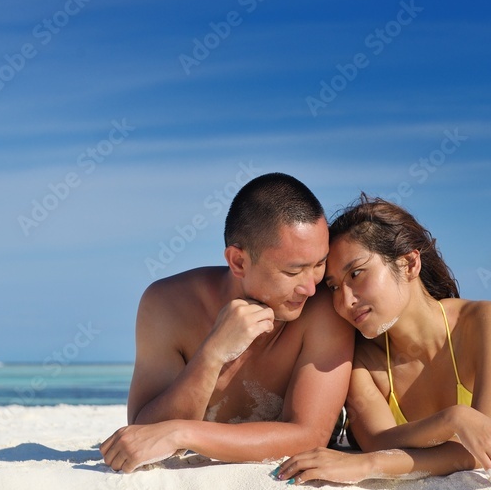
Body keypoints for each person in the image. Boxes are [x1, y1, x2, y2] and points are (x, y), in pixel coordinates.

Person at [100, 173, 354, 472]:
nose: (311, 287)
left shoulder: (323, 306)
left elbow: (310, 436)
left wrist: (183, 432)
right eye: (293, 271)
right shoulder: (167, 305)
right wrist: (213, 354)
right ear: (238, 262)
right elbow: (145, 432)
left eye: (319, 264)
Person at [274, 196, 491, 486]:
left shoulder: (485, 321)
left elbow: (488, 444)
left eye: (356, 273)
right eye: (333, 286)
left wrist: (368, 465)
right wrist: (454, 420)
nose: (345, 301)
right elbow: (378, 441)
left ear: (409, 263)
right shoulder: (360, 358)